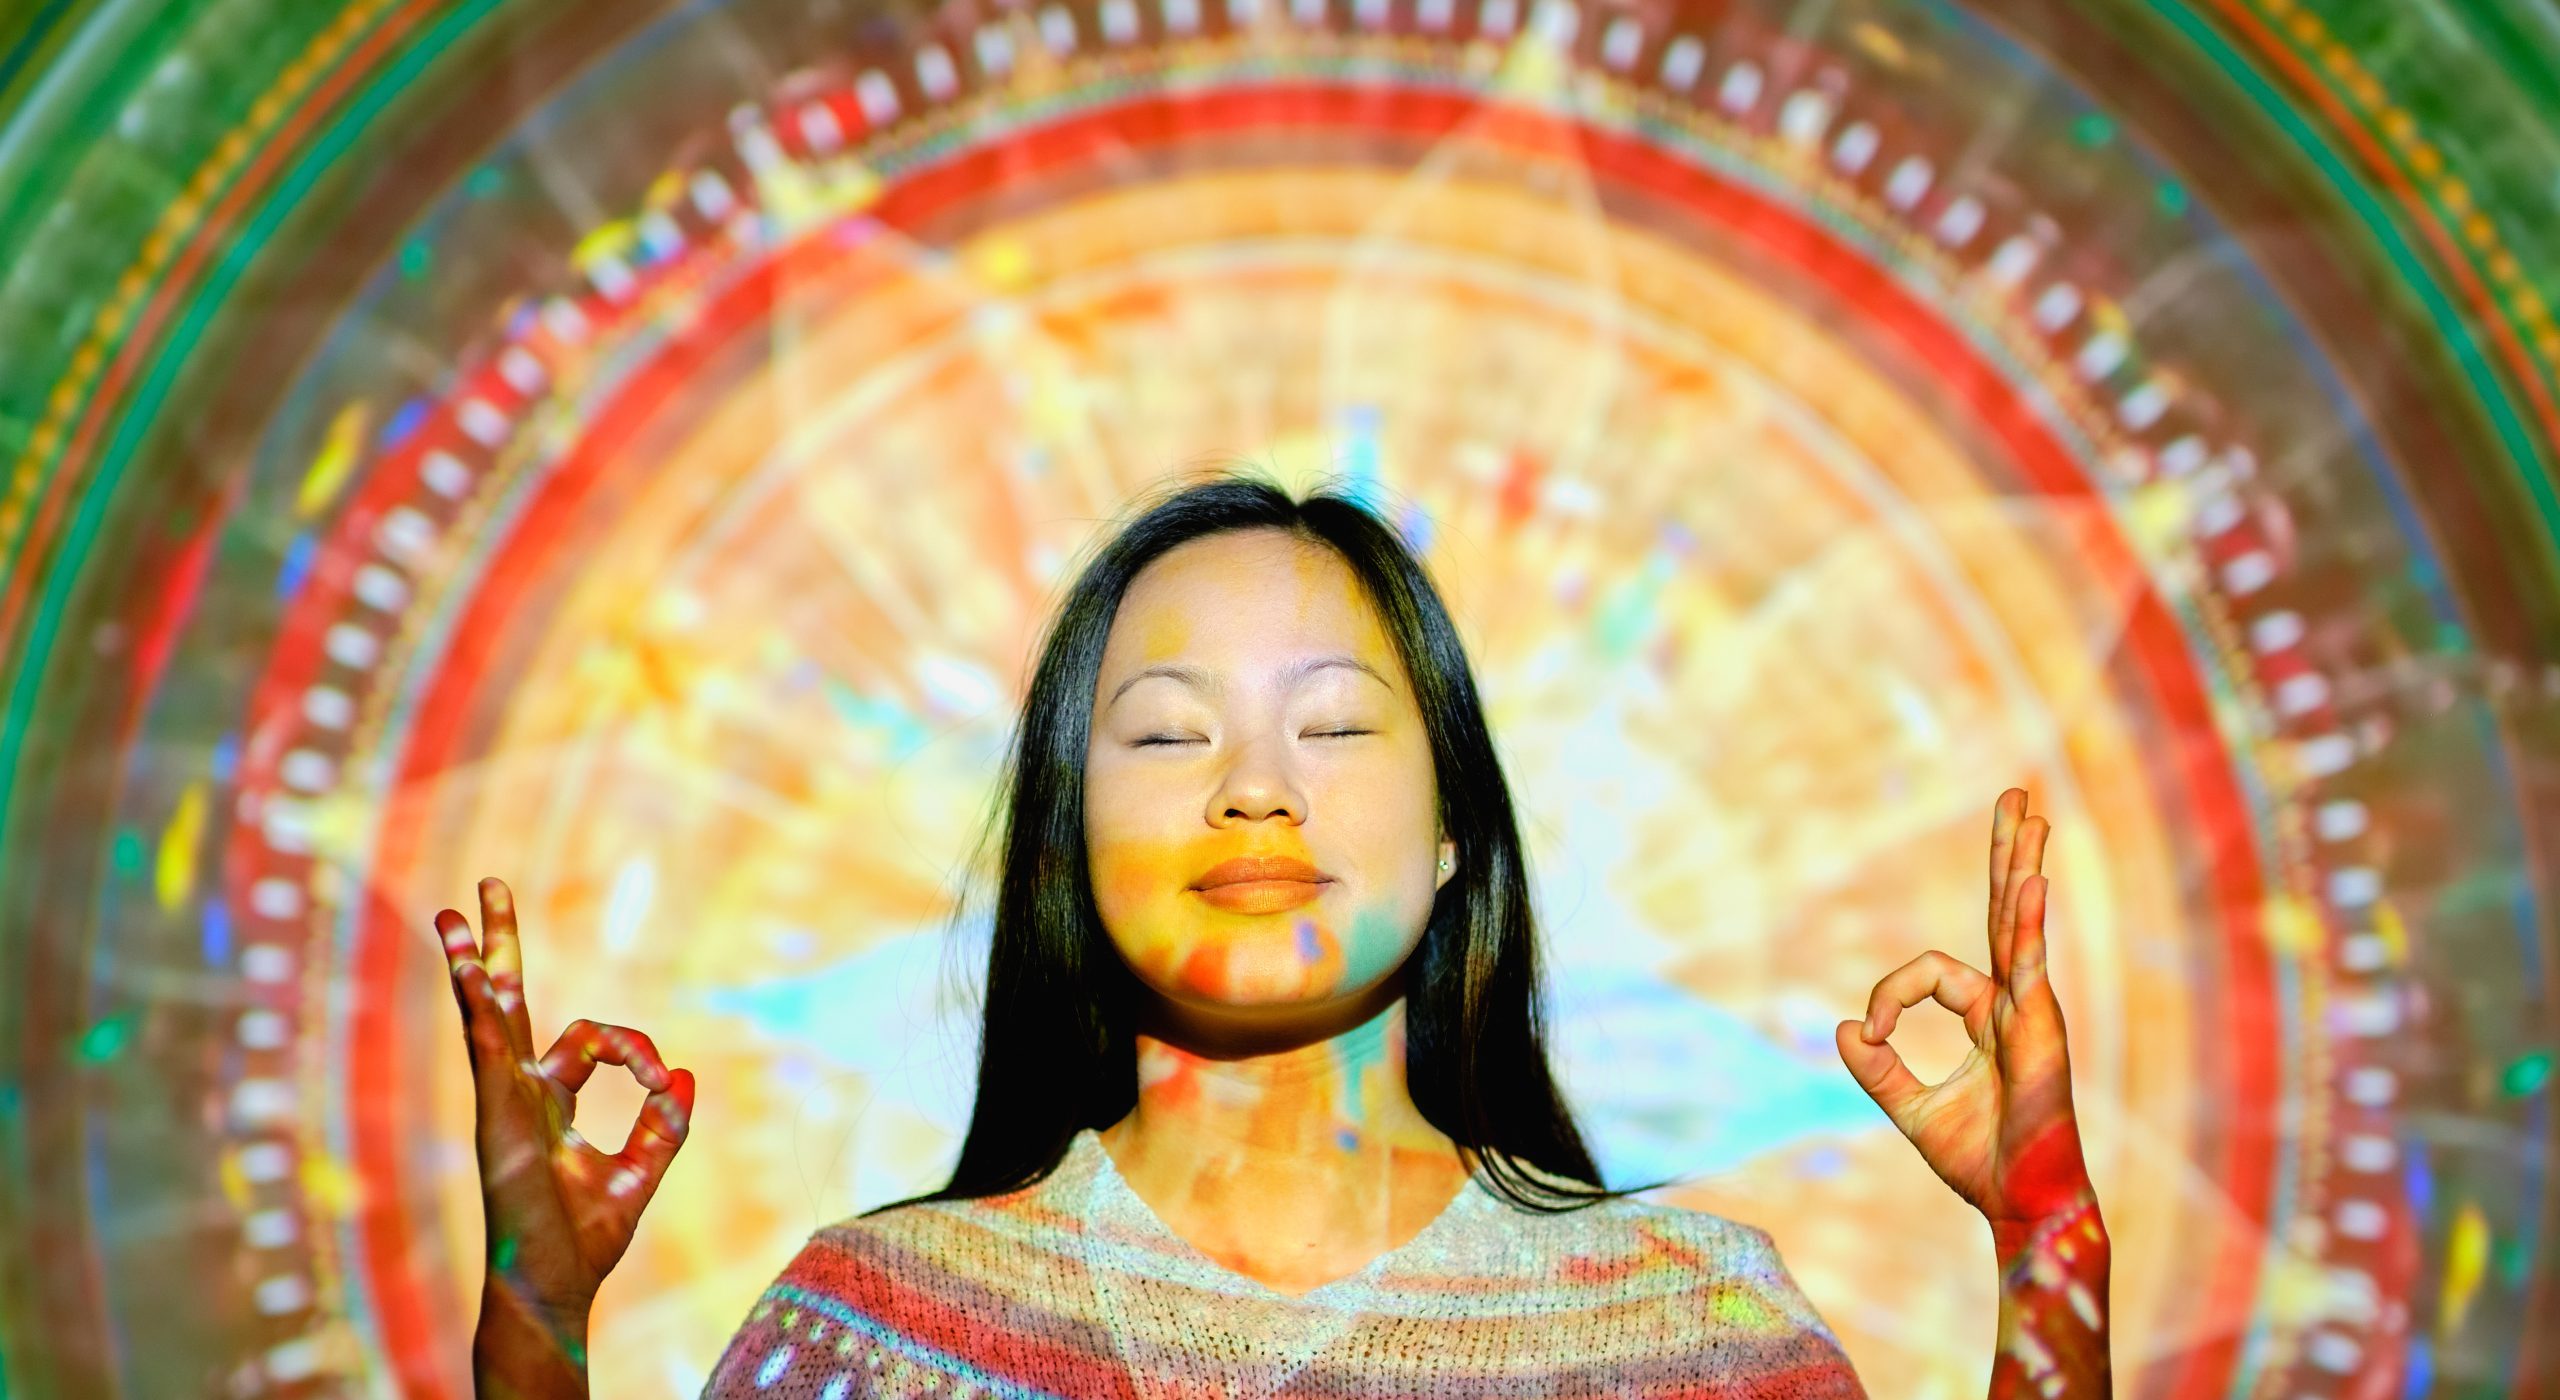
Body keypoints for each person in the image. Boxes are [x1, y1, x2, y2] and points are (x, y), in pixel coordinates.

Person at [437, 474, 2111, 1399]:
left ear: (1456, 828)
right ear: (1072, 845)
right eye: (1166, 737)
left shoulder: (1694, 1330)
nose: (1254, 792)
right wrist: (536, 1318)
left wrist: (2055, 1256)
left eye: (1333, 728)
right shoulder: (882, 1326)